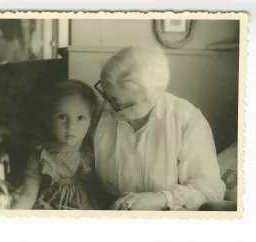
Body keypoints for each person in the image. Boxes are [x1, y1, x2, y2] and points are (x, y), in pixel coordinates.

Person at [93, 45, 226, 211]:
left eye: (116, 103)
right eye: (104, 94)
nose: (105, 107)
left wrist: (161, 198)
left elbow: (210, 192)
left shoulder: (186, 120)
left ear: (153, 97)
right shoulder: (97, 114)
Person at [0, 79, 103, 210]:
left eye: (80, 118)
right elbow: (28, 195)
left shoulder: (91, 150)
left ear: (91, 121)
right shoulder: (42, 155)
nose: (71, 127)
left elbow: (102, 188)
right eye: (62, 117)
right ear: (49, 118)